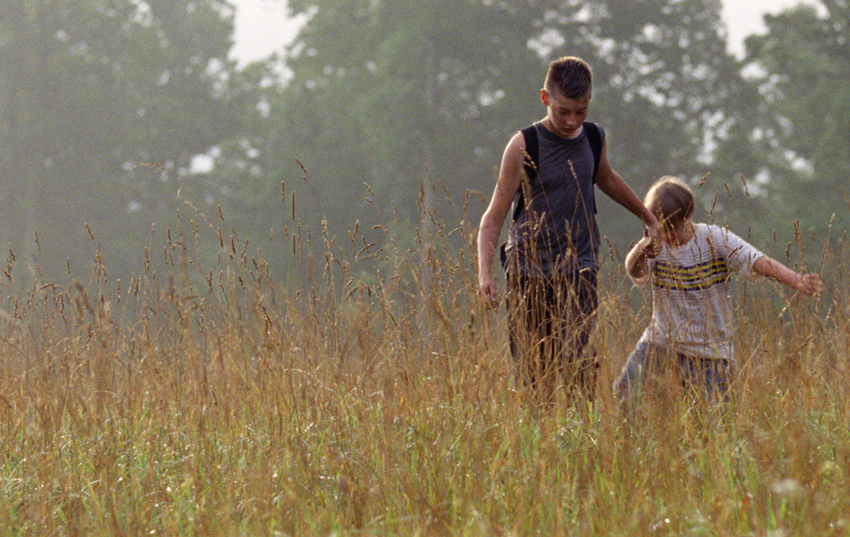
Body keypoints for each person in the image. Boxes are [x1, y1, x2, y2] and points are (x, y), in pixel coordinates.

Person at [477, 56, 656, 401]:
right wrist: (485, 274)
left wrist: (647, 217)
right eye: (563, 112)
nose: (572, 121)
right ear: (545, 99)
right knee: (533, 371)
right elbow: (493, 217)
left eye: (581, 111)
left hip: (580, 264)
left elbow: (607, 179)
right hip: (529, 269)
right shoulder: (523, 145)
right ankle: (538, 441)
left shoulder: (593, 136)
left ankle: (581, 434)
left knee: (578, 359)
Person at [613, 176, 823, 404]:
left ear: (689, 214)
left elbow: (756, 260)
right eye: (661, 228)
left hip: (711, 353)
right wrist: (642, 250)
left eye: (673, 229)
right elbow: (634, 271)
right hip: (661, 343)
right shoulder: (652, 245)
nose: (667, 237)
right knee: (625, 394)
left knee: (714, 422)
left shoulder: (713, 238)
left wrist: (796, 280)